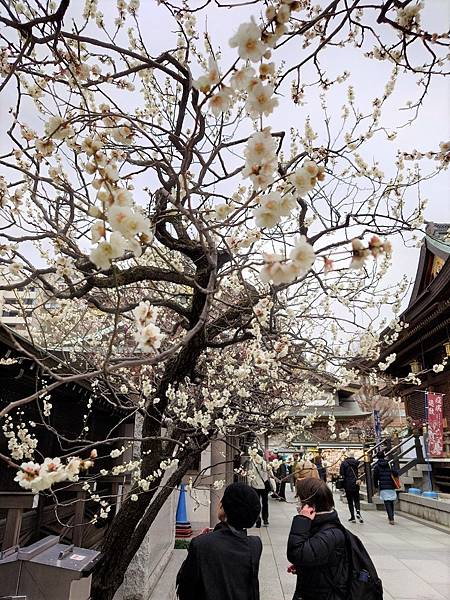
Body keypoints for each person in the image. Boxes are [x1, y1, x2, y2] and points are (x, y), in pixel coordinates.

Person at [176, 482, 263, 600]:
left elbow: (185, 590)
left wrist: (202, 541)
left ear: (225, 508)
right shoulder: (255, 545)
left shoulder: (201, 544)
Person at [287, 478, 348, 600]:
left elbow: (296, 553)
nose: (298, 504)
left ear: (311, 506)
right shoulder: (319, 525)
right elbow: (318, 556)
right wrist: (302, 566)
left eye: (300, 500)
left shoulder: (329, 534)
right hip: (314, 589)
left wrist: (302, 520)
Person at [373, 451, 399, 525]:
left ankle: (391, 518)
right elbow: (396, 473)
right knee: (391, 501)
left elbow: (375, 477)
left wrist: (375, 485)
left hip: (383, 485)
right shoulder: (389, 464)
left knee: (387, 502)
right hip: (391, 484)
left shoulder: (377, 466)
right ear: (384, 456)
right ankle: (392, 516)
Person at [247, 449, 270, 527]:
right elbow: (269, 474)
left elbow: (249, 475)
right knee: (265, 503)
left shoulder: (252, 463)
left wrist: (249, 485)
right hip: (264, 486)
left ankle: (257, 519)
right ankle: (265, 519)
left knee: (256, 504)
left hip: (255, 486)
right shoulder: (265, 463)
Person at [340, 450, 363, 523]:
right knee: (356, 499)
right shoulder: (357, 463)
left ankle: (352, 517)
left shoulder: (344, 463)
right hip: (356, 482)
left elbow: (341, 473)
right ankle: (358, 512)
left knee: (350, 501)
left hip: (347, 483)